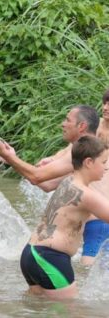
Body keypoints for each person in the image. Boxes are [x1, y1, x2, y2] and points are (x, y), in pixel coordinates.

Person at [20, 136, 109, 300]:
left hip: (31, 253)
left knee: (37, 308)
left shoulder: (68, 181)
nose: (105, 168)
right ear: (89, 162)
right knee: (70, 312)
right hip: (50, 258)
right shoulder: (85, 194)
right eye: (104, 163)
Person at [0, 105, 99, 188]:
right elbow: (47, 184)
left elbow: (36, 176)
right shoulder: (86, 150)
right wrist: (11, 158)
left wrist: (8, 156)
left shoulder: (84, 150)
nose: (62, 124)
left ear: (82, 126)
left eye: (67, 120)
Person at [80, 90, 109, 265]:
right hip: (94, 209)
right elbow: (73, 150)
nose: (105, 107)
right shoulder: (96, 127)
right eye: (105, 103)